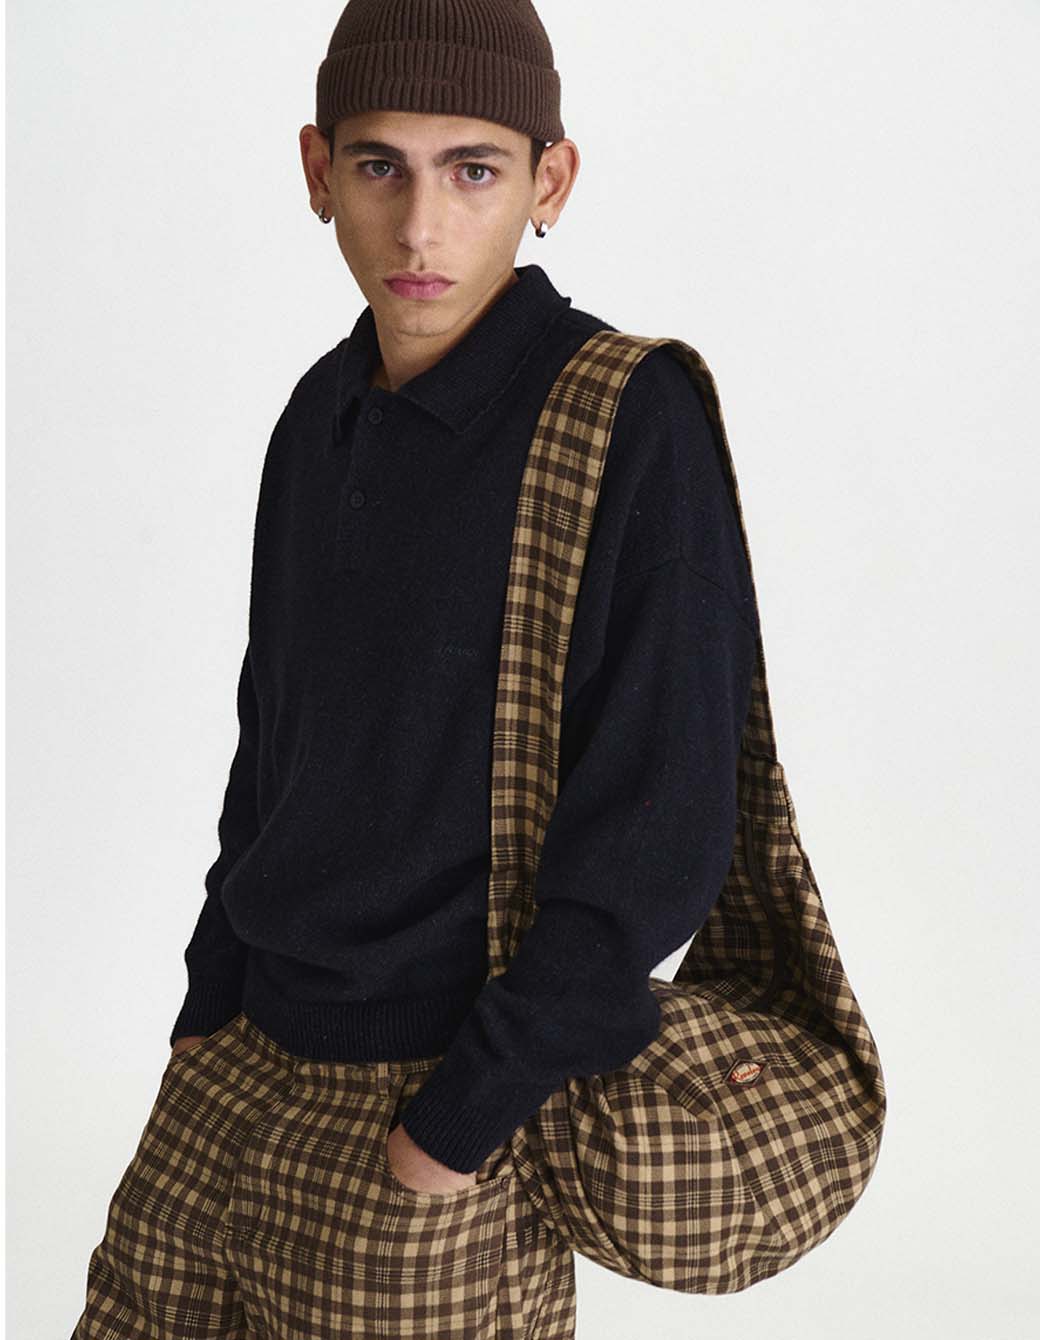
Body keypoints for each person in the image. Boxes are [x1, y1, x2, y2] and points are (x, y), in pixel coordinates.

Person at [71, 1, 760, 1335]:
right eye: (380, 165)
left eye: (474, 170)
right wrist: (210, 997)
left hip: (435, 1103)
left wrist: (459, 1122)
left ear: (550, 181)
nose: (420, 227)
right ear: (318, 170)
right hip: (237, 1068)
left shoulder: (627, 416)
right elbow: (276, 742)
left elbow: (663, 825)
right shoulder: (319, 412)